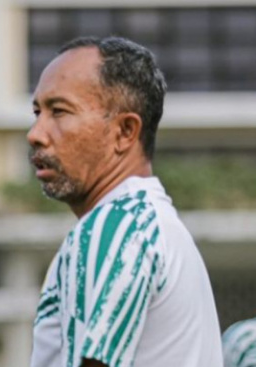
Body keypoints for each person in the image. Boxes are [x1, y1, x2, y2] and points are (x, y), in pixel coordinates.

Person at [27, 36, 223, 367]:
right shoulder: (153, 224)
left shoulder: (117, 225)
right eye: (37, 112)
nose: (35, 132)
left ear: (125, 132)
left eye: (59, 111)